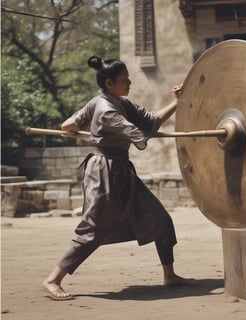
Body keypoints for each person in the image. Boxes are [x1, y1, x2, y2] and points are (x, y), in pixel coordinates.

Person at [42, 56, 194, 301]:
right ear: (110, 82)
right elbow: (136, 132)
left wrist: (176, 102)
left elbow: (68, 124)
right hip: (103, 172)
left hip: (122, 170)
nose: (130, 82)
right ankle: (53, 279)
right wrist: (140, 135)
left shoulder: (114, 102)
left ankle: (170, 275)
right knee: (93, 229)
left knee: (160, 219)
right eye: (125, 79)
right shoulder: (105, 110)